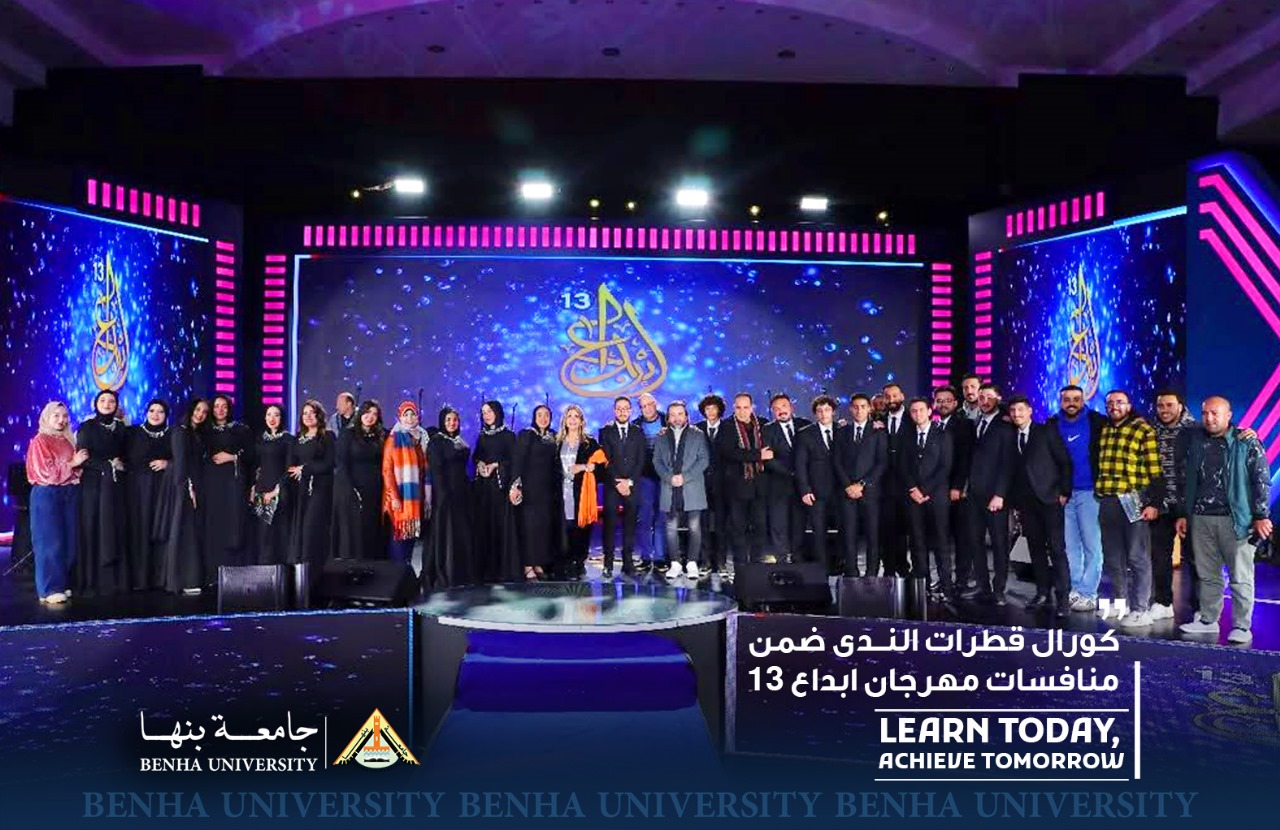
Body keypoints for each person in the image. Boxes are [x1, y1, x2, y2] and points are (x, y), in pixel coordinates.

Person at [1177, 396, 1272, 645]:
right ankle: (1208, 620)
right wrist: (1185, 514)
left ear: (1229, 415)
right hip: (1201, 518)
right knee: (1207, 575)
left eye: (1215, 413)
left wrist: (1261, 515)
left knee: (1240, 576)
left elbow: (1261, 480)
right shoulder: (1196, 441)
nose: (1209, 418)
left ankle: (1242, 626)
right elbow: (1189, 481)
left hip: (1236, 520)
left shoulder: (1246, 441)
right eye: (1205, 413)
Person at [1094, 389, 1161, 627]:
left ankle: (1141, 608)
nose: (1114, 406)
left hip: (1133, 499)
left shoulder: (1143, 429)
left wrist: (1154, 503)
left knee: (1137, 555)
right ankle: (1120, 602)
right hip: (1108, 499)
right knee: (1112, 556)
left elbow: (1155, 471)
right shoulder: (1104, 429)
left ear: (1129, 406)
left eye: (1119, 402)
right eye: (1110, 403)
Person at [1007, 395, 1073, 617]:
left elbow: (1064, 461)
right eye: (1013, 411)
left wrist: (1064, 492)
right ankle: (1042, 592)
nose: (1017, 414)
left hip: (1050, 500)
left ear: (1030, 411)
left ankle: (1062, 598)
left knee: (1057, 549)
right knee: (1034, 550)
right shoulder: (1011, 436)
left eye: (1021, 410)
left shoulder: (1046, 431)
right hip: (1026, 504)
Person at [1046, 385, 1108, 612]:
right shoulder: (1052, 424)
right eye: (1067, 399)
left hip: (1091, 492)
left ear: (1083, 400)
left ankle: (1089, 593)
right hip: (1064, 494)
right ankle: (1075, 588)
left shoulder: (1097, 422)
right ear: (1060, 401)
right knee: (1070, 546)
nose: (1071, 403)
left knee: (1092, 544)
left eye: (1076, 399)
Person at [26, 401, 87, 604]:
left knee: (68, 540)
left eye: (64, 416)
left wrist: (76, 466)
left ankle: (61, 583)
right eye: (56, 416)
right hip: (47, 494)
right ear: (47, 417)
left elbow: (77, 471)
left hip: (69, 492)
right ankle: (49, 588)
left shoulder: (67, 440)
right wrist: (73, 463)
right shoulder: (40, 441)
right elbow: (46, 472)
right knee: (49, 541)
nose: (61, 420)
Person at [963, 383, 1015, 605]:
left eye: (989, 397)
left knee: (999, 543)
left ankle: (999, 589)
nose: (984, 401)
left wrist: (1000, 494)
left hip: (995, 496)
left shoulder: (1006, 427)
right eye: (981, 397)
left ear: (998, 399)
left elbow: (1008, 464)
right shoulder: (975, 423)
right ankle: (982, 585)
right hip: (973, 495)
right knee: (974, 542)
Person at [897, 397, 953, 596]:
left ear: (930, 411)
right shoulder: (906, 436)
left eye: (921, 410)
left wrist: (926, 490)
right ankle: (923, 586)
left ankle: (946, 586)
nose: (917, 414)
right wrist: (913, 489)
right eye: (913, 411)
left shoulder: (943, 435)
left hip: (936, 497)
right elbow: (902, 466)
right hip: (913, 498)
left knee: (941, 543)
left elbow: (945, 467)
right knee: (917, 542)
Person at [75, 389, 128, 596]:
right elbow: (84, 458)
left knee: (116, 527)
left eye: (111, 401)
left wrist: (121, 465)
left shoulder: (122, 428)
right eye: (103, 400)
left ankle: (115, 580)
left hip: (116, 486)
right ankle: (91, 580)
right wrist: (107, 465)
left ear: (117, 405)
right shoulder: (87, 427)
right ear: (96, 403)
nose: (107, 404)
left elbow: (127, 455)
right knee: (93, 526)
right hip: (93, 486)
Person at [1150, 390, 1197, 620]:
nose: (1165, 410)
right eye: (1160, 406)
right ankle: (1162, 602)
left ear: (1181, 406)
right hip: (1161, 504)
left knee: (1195, 558)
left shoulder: (1196, 430)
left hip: (1189, 506)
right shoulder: (1151, 431)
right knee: (1159, 557)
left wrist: (1245, 433)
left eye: (1169, 405)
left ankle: (1200, 609)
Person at [653, 400, 710, 580]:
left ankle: (692, 562)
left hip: (692, 487)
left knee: (694, 527)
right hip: (669, 487)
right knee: (670, 527)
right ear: (668, 418)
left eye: (680, 414)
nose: (677, 418)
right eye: (673, 415)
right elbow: (657, 461)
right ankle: (675, 563)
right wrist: (670, 477)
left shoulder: (697, 434)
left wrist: (685, 477)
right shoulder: (661, 436)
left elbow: (703, 460)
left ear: (686, 416)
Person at [160, 398, 210, 594]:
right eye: (198, 409)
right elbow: (180, 462)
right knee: (182, 532)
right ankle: (181, 580)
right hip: (184, 487)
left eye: (205, 412)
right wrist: (187, 486)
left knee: (191, 532)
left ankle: (190, 578)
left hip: (195, 485)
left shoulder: (196, 434)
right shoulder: (180, 431)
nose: (200, 414)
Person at [716, 393, 772, 568]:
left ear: (752, 407)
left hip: (760, 486)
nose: (742, 411)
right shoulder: (726, 426)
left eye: (745, 407)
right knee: (738, 528)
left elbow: (771, 450)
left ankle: (757, 564)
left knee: (760, 527)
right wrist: (758, 455)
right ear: (734, 408)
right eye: (738, 407)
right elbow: (728, 452)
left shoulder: (762, 424)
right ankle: (740, 566)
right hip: (737, 486)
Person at [833, 394, 886, 577]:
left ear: (869, 408)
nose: (859, 410)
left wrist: (862, 484)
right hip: (847, 491)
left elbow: (881, 462)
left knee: (873, 535)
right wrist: (848, 485)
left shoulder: (879, 431)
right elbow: (837, 462)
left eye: (863, 406)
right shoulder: (842, 432)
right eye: (855, 407)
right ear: (850, 409)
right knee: (849, 535)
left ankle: (872, 573)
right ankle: (851, 573)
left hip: (870, 491)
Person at [124, 399, 172, 591]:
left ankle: (161, 578)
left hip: (163, 489)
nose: (155, 414)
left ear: (166, 415)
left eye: (160, 411)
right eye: (152, 410)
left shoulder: (172, 434)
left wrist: (168, 464)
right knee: (140, 530)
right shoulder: (133, 433)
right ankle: (139, 579)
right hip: (138, 491)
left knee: (161, 529)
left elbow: (183, 458)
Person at [510, 404, 562, 578]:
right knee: (528, 527)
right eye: (539, 415)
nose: (543, 418)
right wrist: (515, 485)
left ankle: (538, 562)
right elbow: (517, 461)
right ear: (534, 417)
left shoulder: (553, 436)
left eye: (546, 415)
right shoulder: (527, 435)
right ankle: (527, 564)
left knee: (542, 528)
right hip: (529, 489)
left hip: (546, 490)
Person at [424, 407, 473, 589]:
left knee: (461, 534)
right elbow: (436, 471)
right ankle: (446, 574)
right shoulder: (436, 442)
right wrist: (443, 496)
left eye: (455, 420)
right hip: (445, 496)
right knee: (446, 534)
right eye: (448, 420)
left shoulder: (460, 441)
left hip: (461, 494)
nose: (452, 423)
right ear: (442, 422)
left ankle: (461, 573)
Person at [335, 400, 390, 560]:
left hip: (376, 490)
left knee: (373, 529)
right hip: (354, 489)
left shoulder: (381, 436)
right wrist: (349, 490)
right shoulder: (348, 434)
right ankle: (355, 566)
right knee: (356, 530)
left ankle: (373, 566)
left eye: (374, 414)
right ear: (360, 414)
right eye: (367, 412)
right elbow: (341, 463)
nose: (370, 417)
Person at [934, 385, 976, 592]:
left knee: (962, 537)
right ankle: (944, 579)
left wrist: (958, 486)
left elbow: (965, 458)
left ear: (955, 403)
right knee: (941, 537)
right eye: (939, 401)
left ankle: (961, 579)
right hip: (936, 491)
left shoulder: (965, 425)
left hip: (958, 491)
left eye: (947, 400)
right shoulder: (932, 426)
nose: (943, 404)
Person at [472, 400, 520, 581]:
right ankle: (486, 570)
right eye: (483, 412)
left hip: (501, 488)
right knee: (485, 527)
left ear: (497, 412)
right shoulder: (482, 435)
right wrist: (480, 463)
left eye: (489, 411)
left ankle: (503, 570)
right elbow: (477, 455)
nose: (486, 415)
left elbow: (514, 461)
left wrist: (496, 466)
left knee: (502, 527)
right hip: (485, 489)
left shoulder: (509, 435)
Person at [598, 396, 645, 578]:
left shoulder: (638, 432)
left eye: (626, 408)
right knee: (609, 525)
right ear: (614, 410)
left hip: (632, 485)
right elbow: (606, 461)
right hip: (612, 486)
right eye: (619, 408)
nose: (623, 411)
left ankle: (627, 563)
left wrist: (629, 482)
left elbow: (641, 460)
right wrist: (618, 482)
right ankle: (608, 563)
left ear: (631, 411)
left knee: (630, 525)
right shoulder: (605, 432)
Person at [204, 394, 252, 571]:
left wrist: (232, 457)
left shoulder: (240, 429)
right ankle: (212, 571)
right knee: (213, 522)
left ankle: (234, 569)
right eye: (216, 406)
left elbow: (251, 455)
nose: (220, 410)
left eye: (224, 406)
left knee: (233, 522)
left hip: (233, 481)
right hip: (211, 482)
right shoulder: (205, 430)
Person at [761, 393, 810, 562]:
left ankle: (797, 559)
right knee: (778, 525)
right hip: (778, 484)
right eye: (776, 409)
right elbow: (768, 458)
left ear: (791, 408)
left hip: (802, 486)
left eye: (783, 406)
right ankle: (781, 559)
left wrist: (801, 475)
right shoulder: (767, 429)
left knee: (798, 524)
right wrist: (792, 472)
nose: (780, 411)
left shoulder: (805, 425)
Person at [287, 399, 336, 566]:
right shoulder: (297, 438)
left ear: (319, 416)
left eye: (312, 413)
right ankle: (300, 571)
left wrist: (305, 469)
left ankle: (315, 567)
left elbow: (329, 463)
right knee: (300, 529)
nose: (308, 416)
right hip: (299, 489)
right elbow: (291, 465)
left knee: (312, 529)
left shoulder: (327, 437)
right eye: (305, 413)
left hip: (319, 488)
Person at [795, 395, 841, 568]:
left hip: (840, 489)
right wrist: (805, 490)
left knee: (844, 530)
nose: (823, 414)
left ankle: (840, 565)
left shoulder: (843, 430)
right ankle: (821, 569)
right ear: (815, 414)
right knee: (818, 532)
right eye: (819, 411)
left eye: (827, 410)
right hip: (815, 491)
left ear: (833, 412)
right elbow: (800, 464)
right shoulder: (805, 433)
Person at [382, 401, 429, 566]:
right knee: (398, 538)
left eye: (412, 414)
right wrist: (394, 496)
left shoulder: (422, 438)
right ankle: (394, 577)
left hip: (415, 498)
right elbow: (387, 471)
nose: (409, 418)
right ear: (400, 417)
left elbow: (424, 470)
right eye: (405, 415)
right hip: (399, 498)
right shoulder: (393, 438)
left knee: (409, 538)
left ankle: (404, 576)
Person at [557, 404, 600, 579]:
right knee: (565, 529)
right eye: (569, 416)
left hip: (581, 493)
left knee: (581, 529)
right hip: (560, 492)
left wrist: (584, 467)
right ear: (564, 421)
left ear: (582, 421)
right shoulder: (557, 442)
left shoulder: (590, 443)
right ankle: (566, 562)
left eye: (576, 416)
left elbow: (601, 467)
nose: (573, 419)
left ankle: (579, 562)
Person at [250, 404, 295, 565]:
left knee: (280, 534)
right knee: (263, 535)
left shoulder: (288, 439)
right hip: (261, 491)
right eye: (269, 414)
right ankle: (264, 574)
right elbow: (256, 465)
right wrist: (254, 487)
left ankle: (282, 576)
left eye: (276, 415)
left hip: (280, 492)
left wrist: (276, 491)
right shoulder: (260, 438)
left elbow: (289, 468)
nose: (272, 418)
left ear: (281, 418)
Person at [693, 394, 729, 580]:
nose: (711, 412)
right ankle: (705, 561)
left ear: (719, 410)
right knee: (703, 524)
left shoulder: (729, 428)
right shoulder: (697, 429)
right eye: (707, 409)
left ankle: (721, 563)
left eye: (714, 408)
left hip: (723, 485)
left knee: (721, 526)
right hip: (701, 484)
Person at [878, 382, 911, 576]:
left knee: (907, 531)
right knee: (887, 530)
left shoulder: (913, 418)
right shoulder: (878, 420)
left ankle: (906, 569)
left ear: (902, 396)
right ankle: (889, 570)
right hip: (885, 485)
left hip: (909, 485)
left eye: (894, 396)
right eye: (887, 397)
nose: (891, 400)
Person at [632, 392, 668, 570]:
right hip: (644, 476)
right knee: (645, 518)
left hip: (665, 476)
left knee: (662, 518)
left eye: (650, 404)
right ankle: (646, 557)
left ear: (656, 404)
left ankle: (660, 557)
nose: (647, 408)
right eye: (643, 406)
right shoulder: (636, 425)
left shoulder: (668, 420)